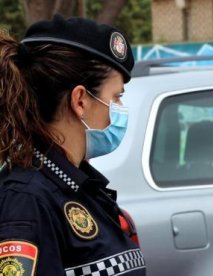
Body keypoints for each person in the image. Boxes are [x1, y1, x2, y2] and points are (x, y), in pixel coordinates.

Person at [0, 15, 146, 275]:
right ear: (80, 100)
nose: (120, 109)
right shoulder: (27, 199)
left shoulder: (79, 186)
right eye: (116, 97)